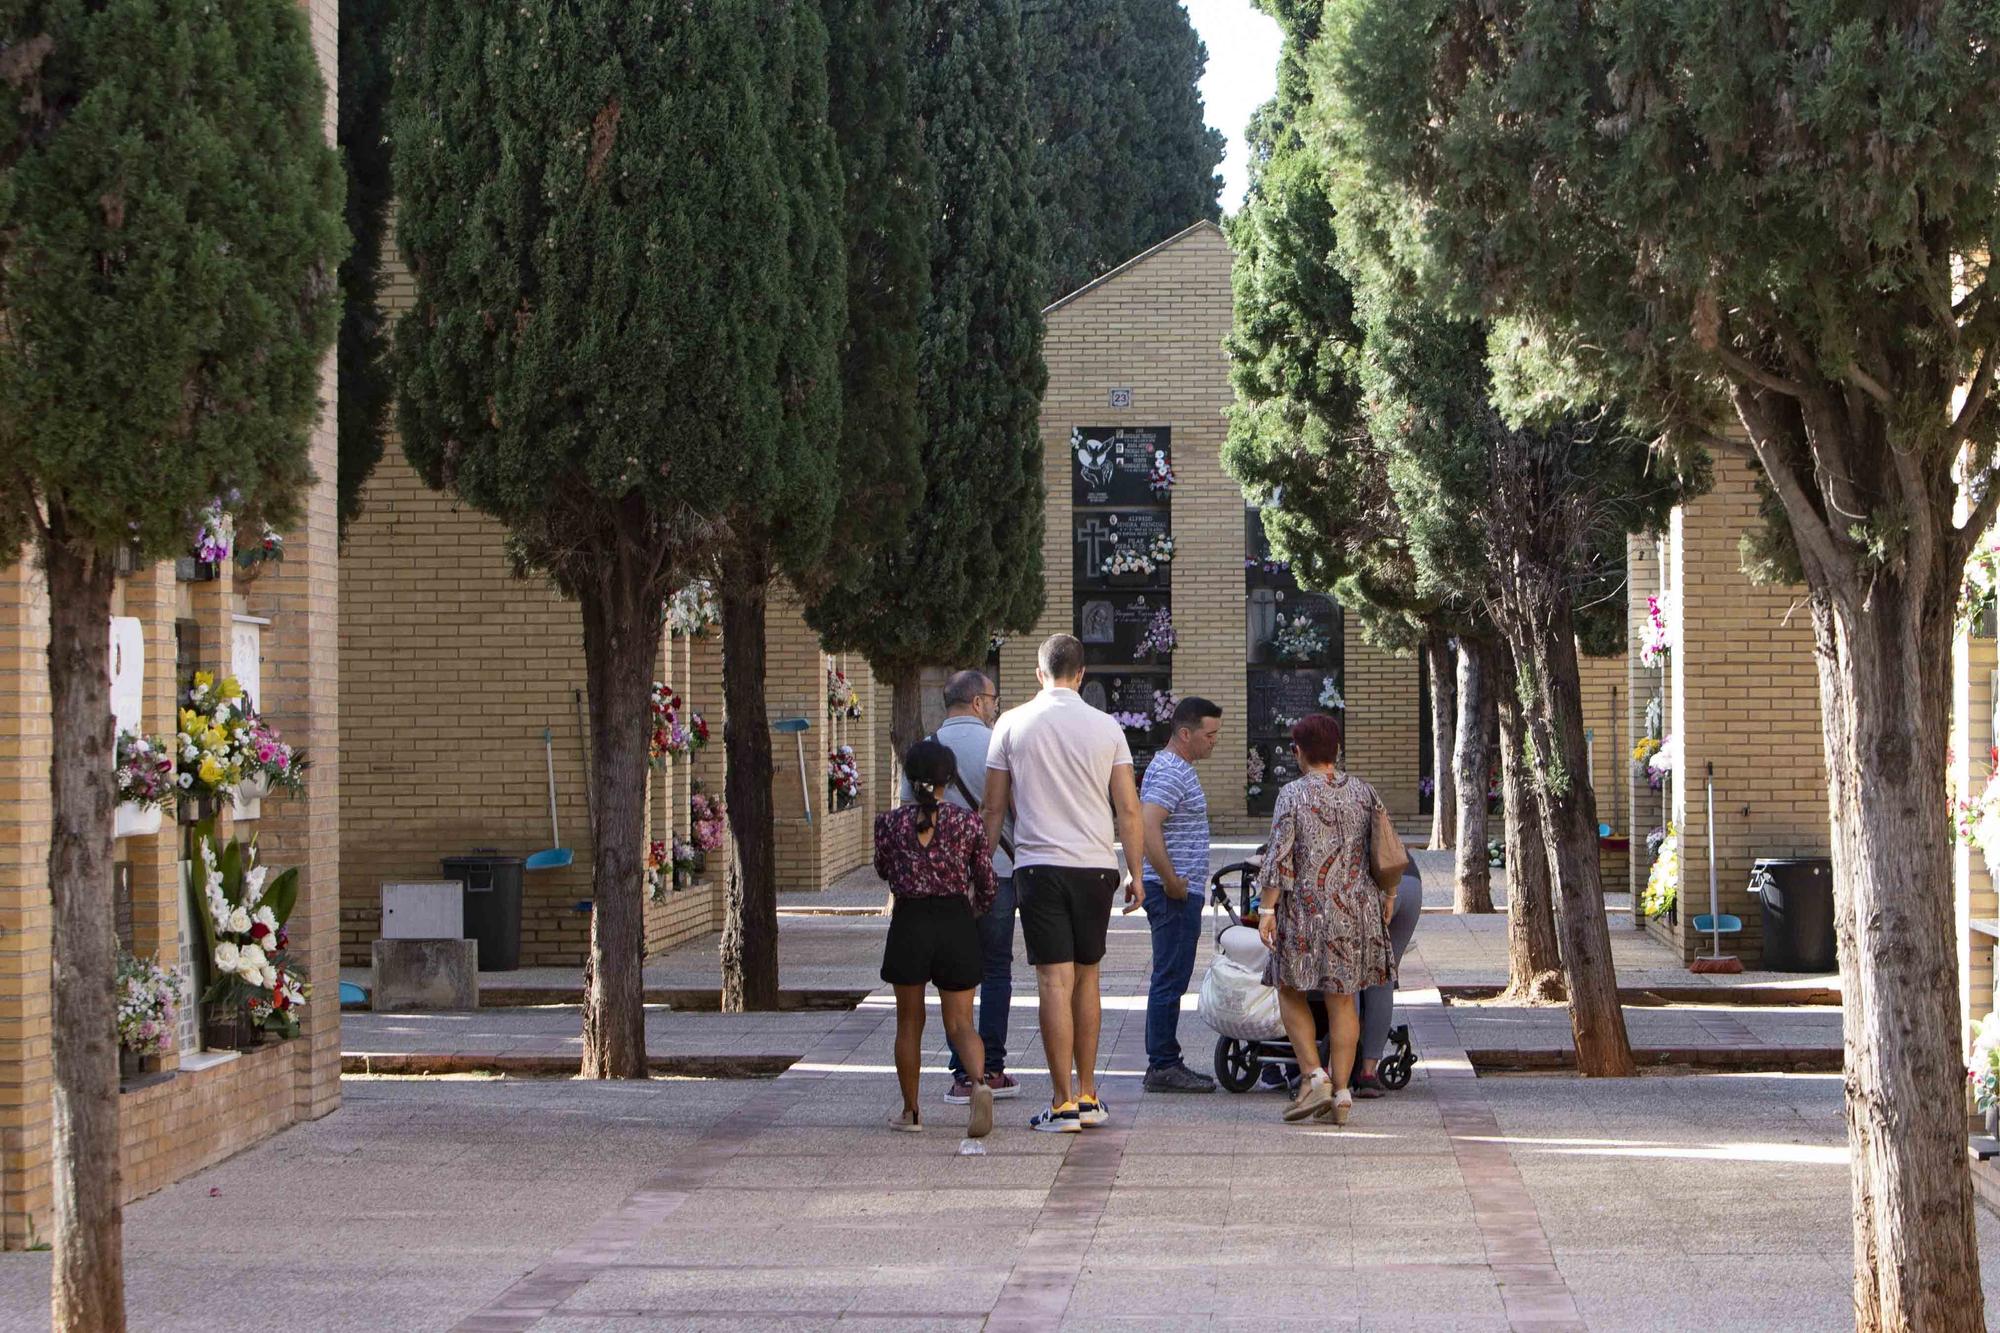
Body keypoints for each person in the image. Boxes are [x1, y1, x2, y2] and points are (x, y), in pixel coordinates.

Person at [983, 634, 1146, 1133]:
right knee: (1088, 977)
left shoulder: (1010, 723)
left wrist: (978, 866)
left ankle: (1060, 1103)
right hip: (1096, 866)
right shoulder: (1107, 727)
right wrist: (1136, 872)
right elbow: (1128, 807)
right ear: (1081, 674)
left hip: (1039, 866)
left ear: (1039, 673)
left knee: (1054, 981)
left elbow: (993, 808)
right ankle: (1090, 1093)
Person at [1256, 713, 1399, 1126]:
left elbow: (1279, 858)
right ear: (1336, 749)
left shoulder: (1292, 795)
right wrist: (1388, 894)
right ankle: (1341, 1092)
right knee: (1342, 999)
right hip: (1357, 909)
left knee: (1288, 988)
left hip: (1307, 910)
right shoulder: (1364, 792)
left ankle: (1314, 1075)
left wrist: (1267, 910)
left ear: (1298, 751)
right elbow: (1384, 848)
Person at [897, 670, 1022, 1107]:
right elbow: (1017, 807)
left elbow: (907, 812)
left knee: (954, 979)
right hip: (999, 870)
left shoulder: (926, 748)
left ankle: (960, 1073)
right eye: (992, 698)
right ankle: (991, 1068)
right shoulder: (999, 743)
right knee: (996, 968)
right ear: (976, 702)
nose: (995, 706)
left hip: (938, 885)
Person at [875, 739, 998, 1137]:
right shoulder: (968, 822)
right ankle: (979, 1085)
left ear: (911, 779)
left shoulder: (890, 823)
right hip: (954, 920)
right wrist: (975, 909)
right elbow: (986, 881)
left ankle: (911, 1112)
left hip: (910, 921)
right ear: (950, 778)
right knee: (961, 1022)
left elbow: (883, 870)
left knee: (909, 1022)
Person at [1138, 695, 1223, 1092]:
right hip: (1173, 893)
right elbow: (1149, 824)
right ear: (1185, 733)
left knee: (1171, 975)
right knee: (1169, 977)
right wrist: (1170, 880)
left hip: (1177, 890)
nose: (1214, 742)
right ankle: (1163, 1064)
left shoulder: (1175, 767)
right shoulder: (1173, 771)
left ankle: (1164, 1059)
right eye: (1210, 734)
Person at [1353, 866, 1422, 1097]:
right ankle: (1368, 1073)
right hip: (1410, 881)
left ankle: (1335, 1071)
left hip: (1365, 886)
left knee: (1346, 978)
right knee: (1382, 979)